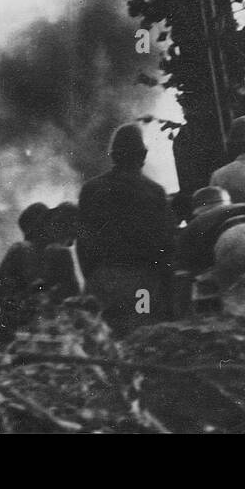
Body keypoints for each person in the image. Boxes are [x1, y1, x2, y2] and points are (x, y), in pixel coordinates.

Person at [77, 123, 175, 333]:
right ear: (143, 154)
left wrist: (94, 277)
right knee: (142, 338)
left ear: (113, 155)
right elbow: (167, 245)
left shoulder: (92, 189)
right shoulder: (155, 192)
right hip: (143, 283)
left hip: (104, 280)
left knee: (101, 341)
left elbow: (83, 241)